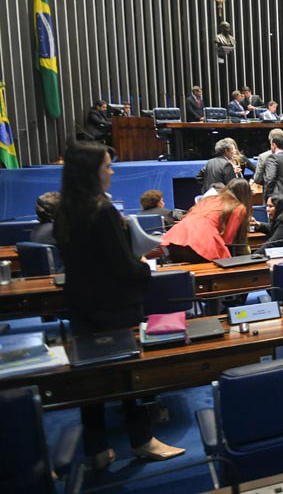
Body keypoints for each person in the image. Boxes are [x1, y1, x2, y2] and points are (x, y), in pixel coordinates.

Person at [53, 142, 185, 467]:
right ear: (92, 171)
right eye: (107, 166)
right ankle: (142, 440)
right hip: (115, 304)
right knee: (129, 375)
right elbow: (124, 267)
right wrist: (144, 267)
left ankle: (96, 449)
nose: (111, 172)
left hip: (80, 303)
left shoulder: (64, 209)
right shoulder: (103, 210)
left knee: (90, 376)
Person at [161, 178, 251, 263]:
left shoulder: (209, 199)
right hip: (202, 242)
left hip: (176, 237)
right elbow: (228, 239)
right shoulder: (238, 207)